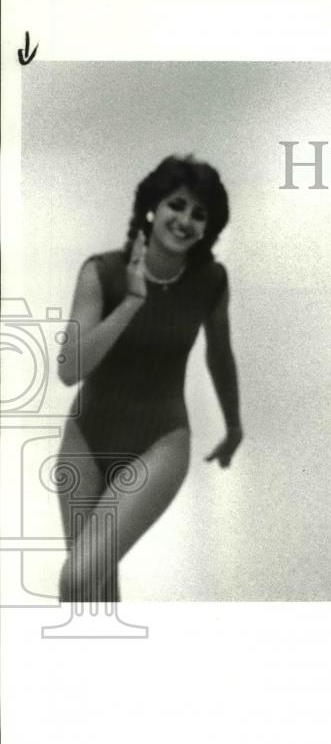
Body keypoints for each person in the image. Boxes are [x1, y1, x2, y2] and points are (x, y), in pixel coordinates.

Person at [56, 155, 242, 602]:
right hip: (85, 439)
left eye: (200, 214)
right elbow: (70, 370)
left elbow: (219, 353)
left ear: (208, 227)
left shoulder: (211, 280)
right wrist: (131, 303)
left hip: (160, 442)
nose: (186, 220)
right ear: (152, 208)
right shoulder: (100, 272)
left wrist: (234, 426)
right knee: (95, 591)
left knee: (76, 578)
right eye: (177, 205)